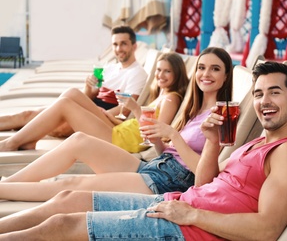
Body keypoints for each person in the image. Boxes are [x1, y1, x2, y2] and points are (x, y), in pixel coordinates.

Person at [0, 61, 287, 240]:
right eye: (260, 93)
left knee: (61, 226)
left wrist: (191, 214)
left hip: (188, 229)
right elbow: (204, 184)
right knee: (66, 200)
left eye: (274, 92)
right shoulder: (260, 143)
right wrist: (211, 141)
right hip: (177, 205)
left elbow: (267, 229)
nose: (264, 101)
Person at [0, 47, 233, 203]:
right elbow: (169, 152)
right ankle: (9, 182)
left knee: (71, 184)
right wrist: (157, 140)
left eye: (215, 69)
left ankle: (3, 189)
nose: (206, 74)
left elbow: (206, 178)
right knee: (79, 140)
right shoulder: (194, 109)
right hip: (154, 165)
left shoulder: (222, 115)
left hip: (168, 182)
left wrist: (174, 134)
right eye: (202, 67)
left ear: (225, 76)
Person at [0, 52, 188, 152]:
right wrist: (112, 118)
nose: (160, 75)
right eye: (159, 70)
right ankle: (28, 139)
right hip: (118, 129)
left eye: (167, 71)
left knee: (66, 104)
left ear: (177, 74)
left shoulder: (171, 99)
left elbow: (157, 135)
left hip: (121, 141)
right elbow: (135, 124)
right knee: (72, 93)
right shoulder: (161, 95)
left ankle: (12, 142)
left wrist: (135, 109)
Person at [0, 25, 147, 134]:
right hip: (84, 107)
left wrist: (93, 112)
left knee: (53, 127)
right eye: (115, 44)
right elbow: (88, 96)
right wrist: (89, 87)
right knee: (26, 115)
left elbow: (125, 111)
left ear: (134, 47)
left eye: (124, 44)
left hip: (100, 117)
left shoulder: (137, 73)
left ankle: (18, 138)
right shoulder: (109, 68)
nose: (119, 48)